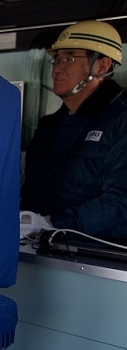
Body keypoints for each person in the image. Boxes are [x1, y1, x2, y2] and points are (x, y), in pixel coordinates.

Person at [21, 20, 127, 242]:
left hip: (99, 259)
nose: (57, 68)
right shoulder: (49, 126)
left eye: (69, 58)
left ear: (101, 65)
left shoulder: (120, 121)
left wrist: (54, 224)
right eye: (56, 60)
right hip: (38, 251)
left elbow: (121, 200)